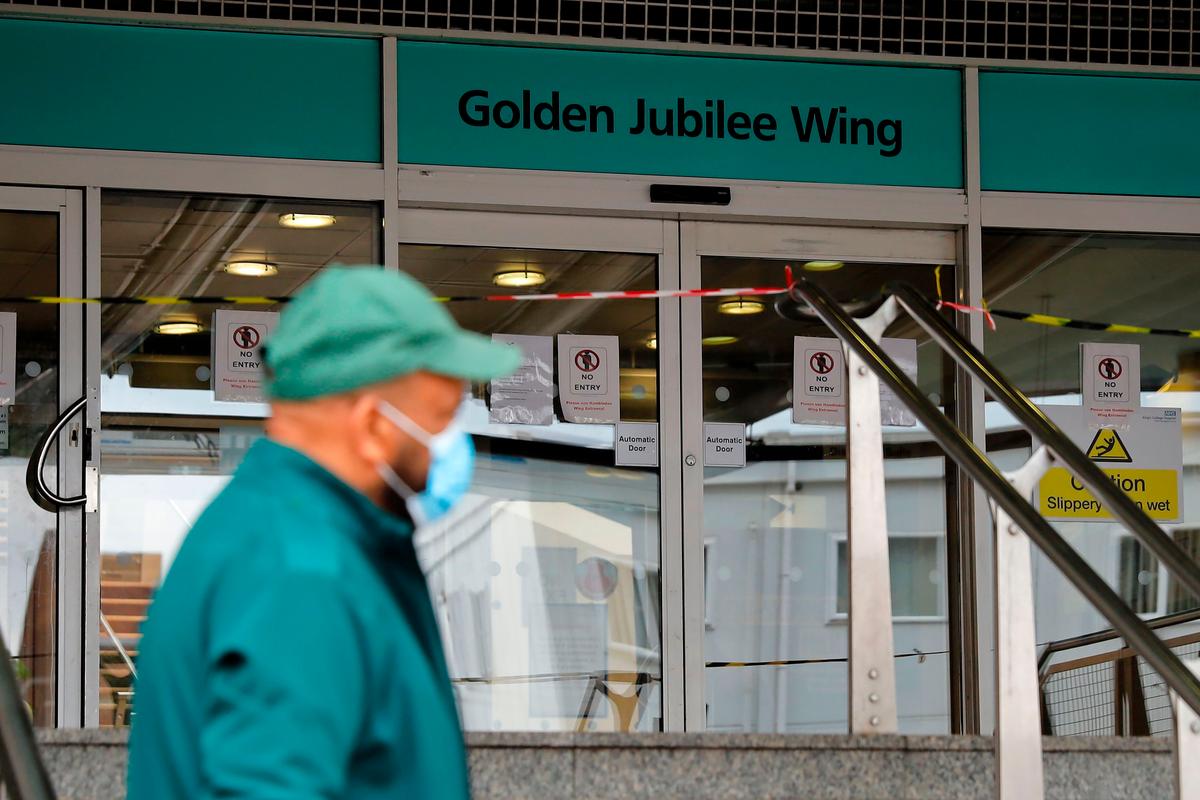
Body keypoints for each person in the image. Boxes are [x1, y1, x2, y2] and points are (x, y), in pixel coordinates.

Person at [127, 267, 521, 799]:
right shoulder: (298, 570)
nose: (453, 443)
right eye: (443, 417)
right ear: (373, 425)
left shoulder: (273, 532)